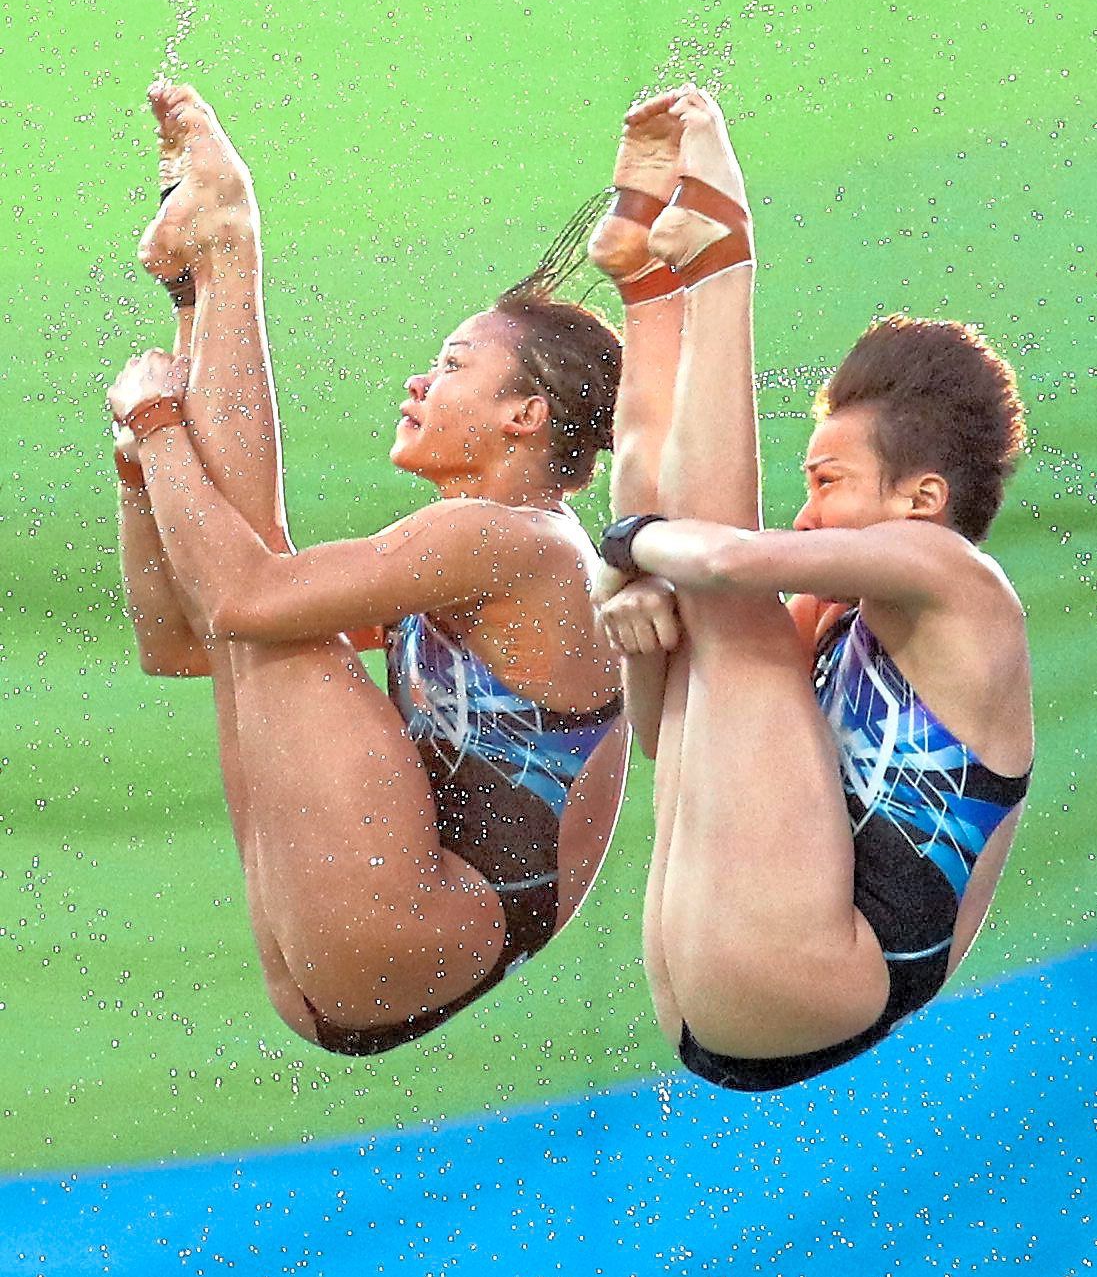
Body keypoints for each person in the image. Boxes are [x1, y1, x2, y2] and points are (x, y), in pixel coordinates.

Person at [107, 82, 627, 1057]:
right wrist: (145, 477)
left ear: (525, 415)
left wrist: (158, 422)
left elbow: (239, 592)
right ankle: (207, 268)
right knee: (258, 617)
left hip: (412, 922)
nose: (418, 383)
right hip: (361, 957)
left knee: (265, 593)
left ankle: (229, 246)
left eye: (454, 364)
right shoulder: (475, 561)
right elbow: (182, 642)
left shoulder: (520, 543)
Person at [588, 86, 1033, 1091]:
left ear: (923, 496)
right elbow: (670, 732)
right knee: (706, 621)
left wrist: (625, 550)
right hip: (730, 979)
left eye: (826, 482)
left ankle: (718, 269)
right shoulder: (831, 616)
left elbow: (728, 560)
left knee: (717, 587)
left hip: (838, 964)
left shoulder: (961, 581)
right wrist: (634, 622)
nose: (805, 514)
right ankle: (651, 292)